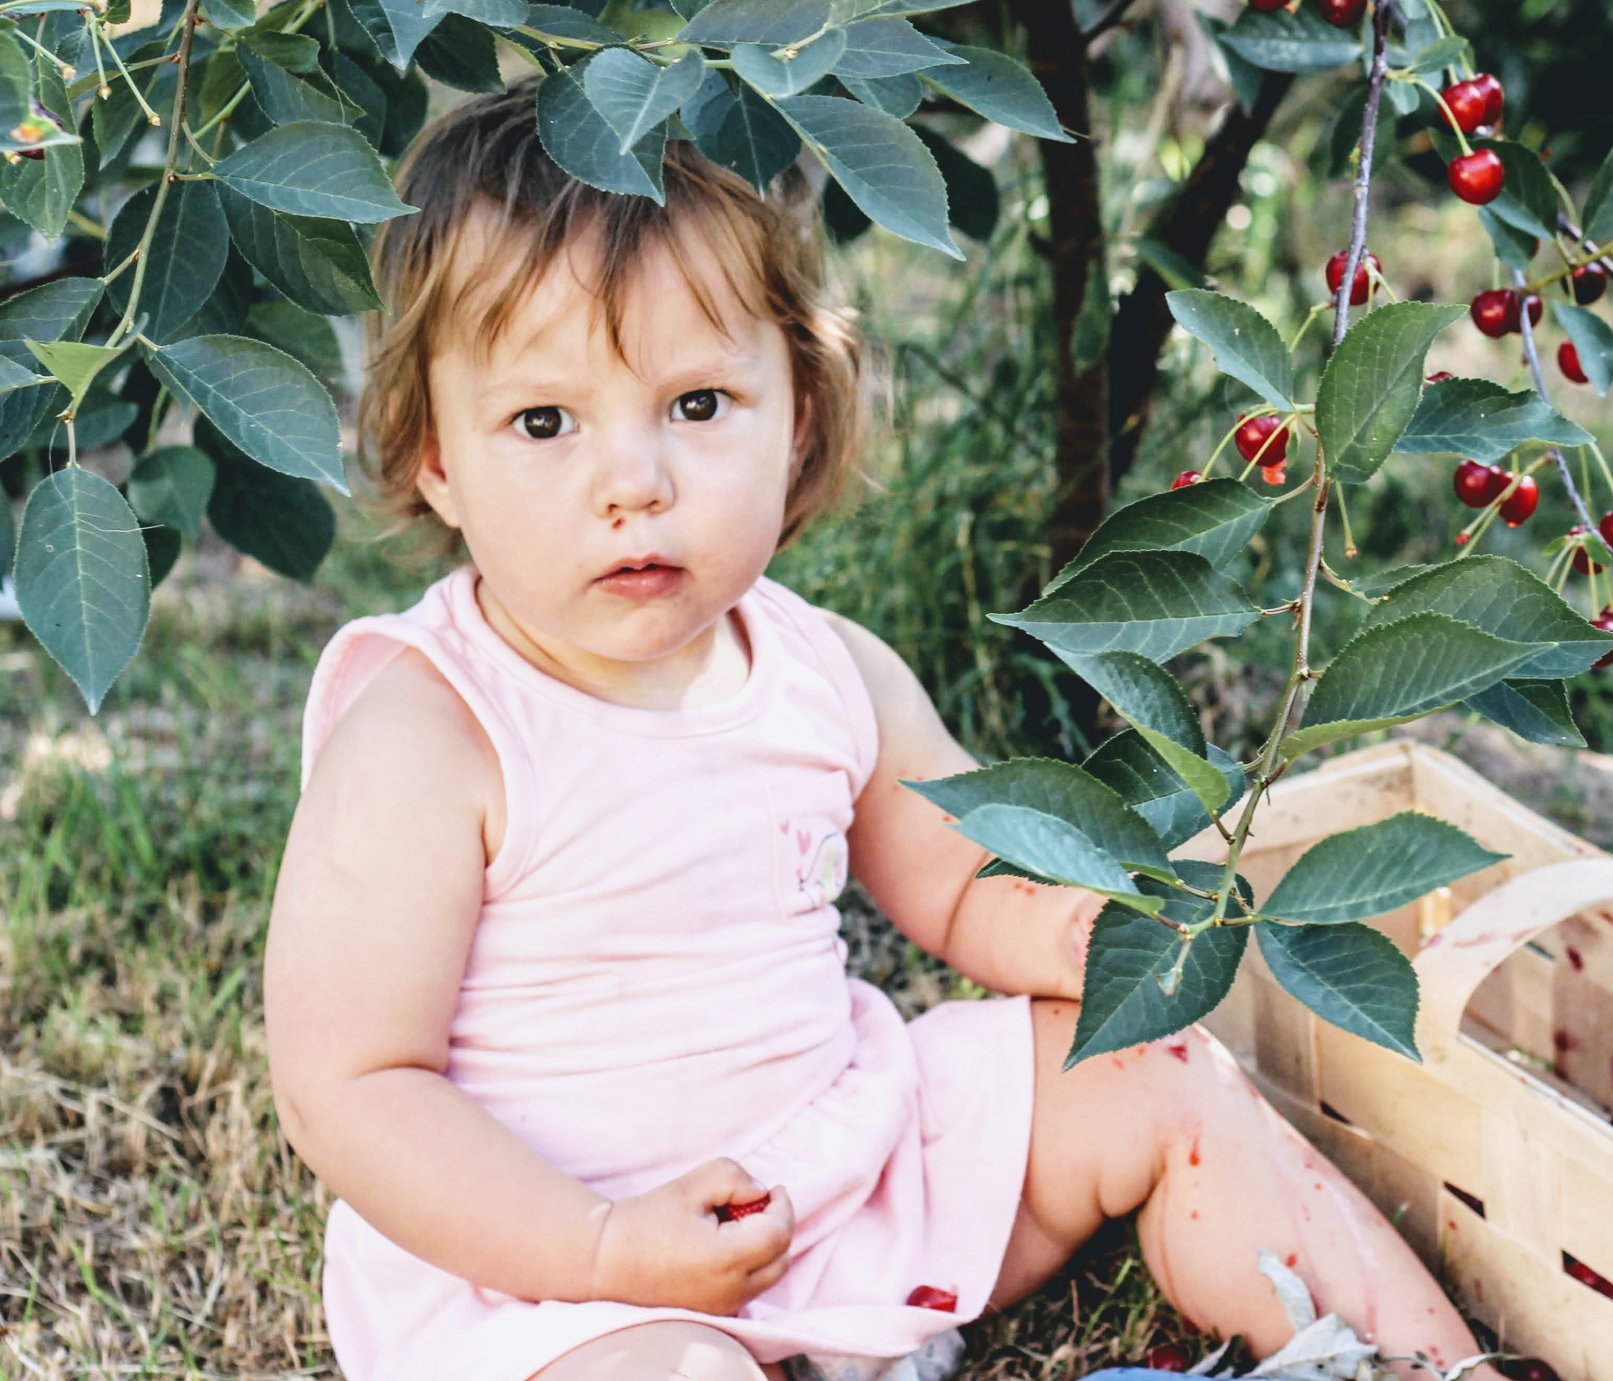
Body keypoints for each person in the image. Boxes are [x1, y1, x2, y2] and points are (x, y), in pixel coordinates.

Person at [262, 84, 1477, 1381]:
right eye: (545, 423)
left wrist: (1080, 925)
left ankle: (1431, 1366)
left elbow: (961, 878)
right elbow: (351, 1084)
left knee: (1158, 1070)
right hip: (551, 1277)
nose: (636, 482)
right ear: (433, 455)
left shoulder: (823, 671)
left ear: (799, 414)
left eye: (697, 405)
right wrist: (605, 1247)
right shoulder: (431, 729)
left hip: (835, 1166)